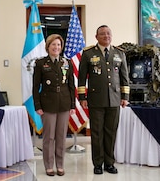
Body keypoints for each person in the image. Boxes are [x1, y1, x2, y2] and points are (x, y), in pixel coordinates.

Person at [78, 25, 130, 175]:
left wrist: (125, 97)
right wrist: (82, 97)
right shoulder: (88, 53)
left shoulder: (119, 53)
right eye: (102, 34)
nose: (106, 36)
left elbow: (124, 78)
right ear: (96, 37)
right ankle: (98, 164)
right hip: (95, 99)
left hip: (114, 100)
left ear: (111, 36)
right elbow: (82, 78)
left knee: (111, 132)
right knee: (97, 133)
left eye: (108, 33)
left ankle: (109, 163)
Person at [32, 34, 76, 176]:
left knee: (61, 136)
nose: (56, 47)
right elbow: (35, 86)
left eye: (58, 45)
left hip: (64, 103)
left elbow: (71, 85)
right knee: (49, 137)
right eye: (53, 45)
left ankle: (60, 165)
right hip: (47, 104)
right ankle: (49, 165)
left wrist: (73, 105)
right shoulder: (40, 63)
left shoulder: (66, 62)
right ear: (48, 47)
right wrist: (37, 105)